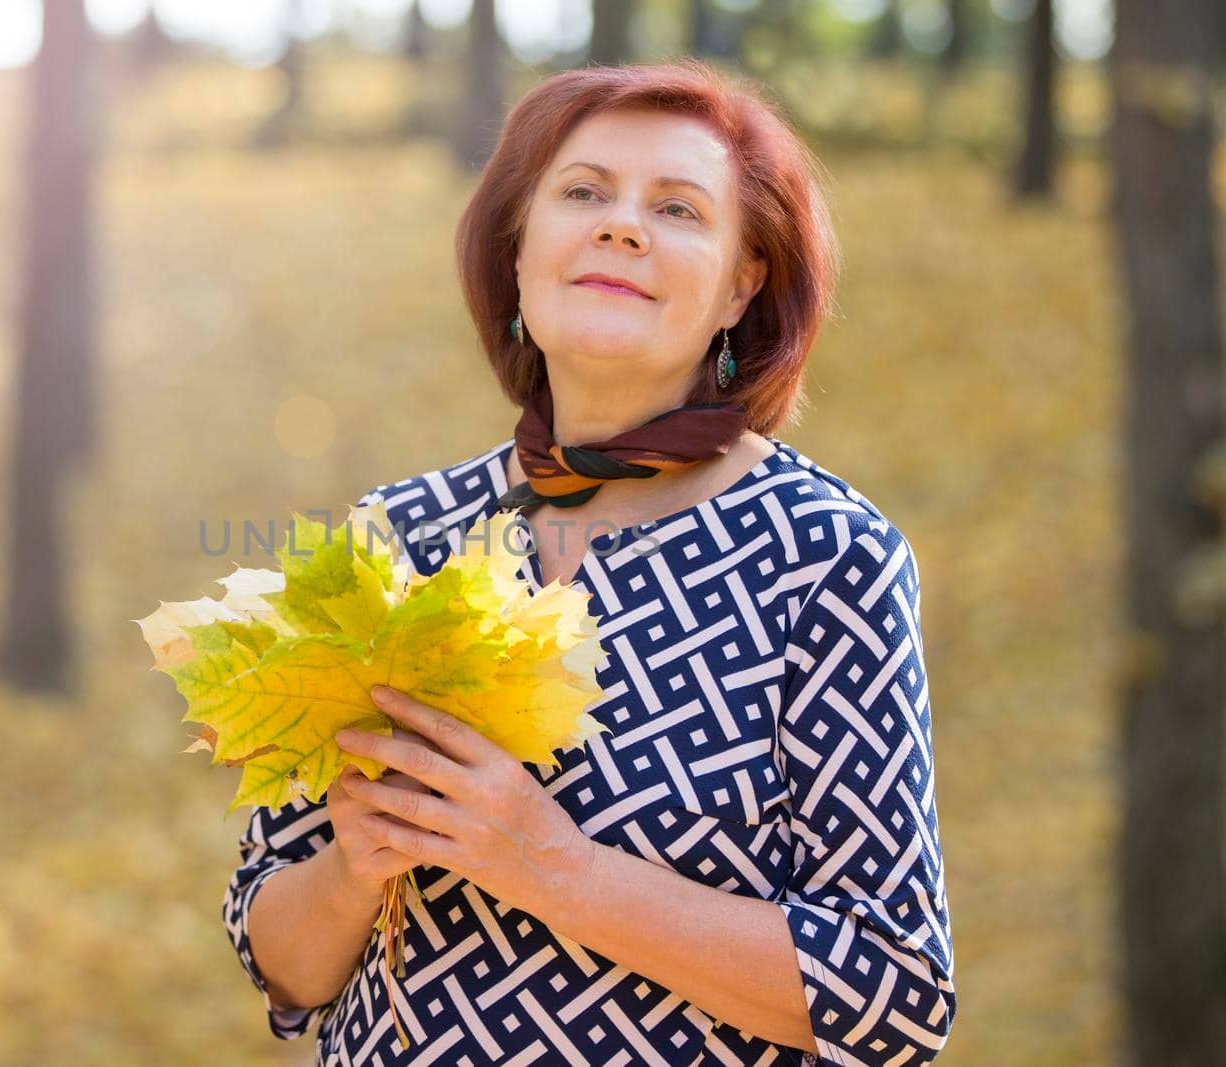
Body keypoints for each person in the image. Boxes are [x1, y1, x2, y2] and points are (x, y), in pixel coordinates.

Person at [220, 58, 957, 1066]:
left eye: (679, 209)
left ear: (743, 283)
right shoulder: (397, 534)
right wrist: (353, 863)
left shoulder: (825, 554)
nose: (621, 225)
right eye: (583, 192)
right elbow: (282, 965)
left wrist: (550, 863)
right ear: (519, 250)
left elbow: (895, 988)